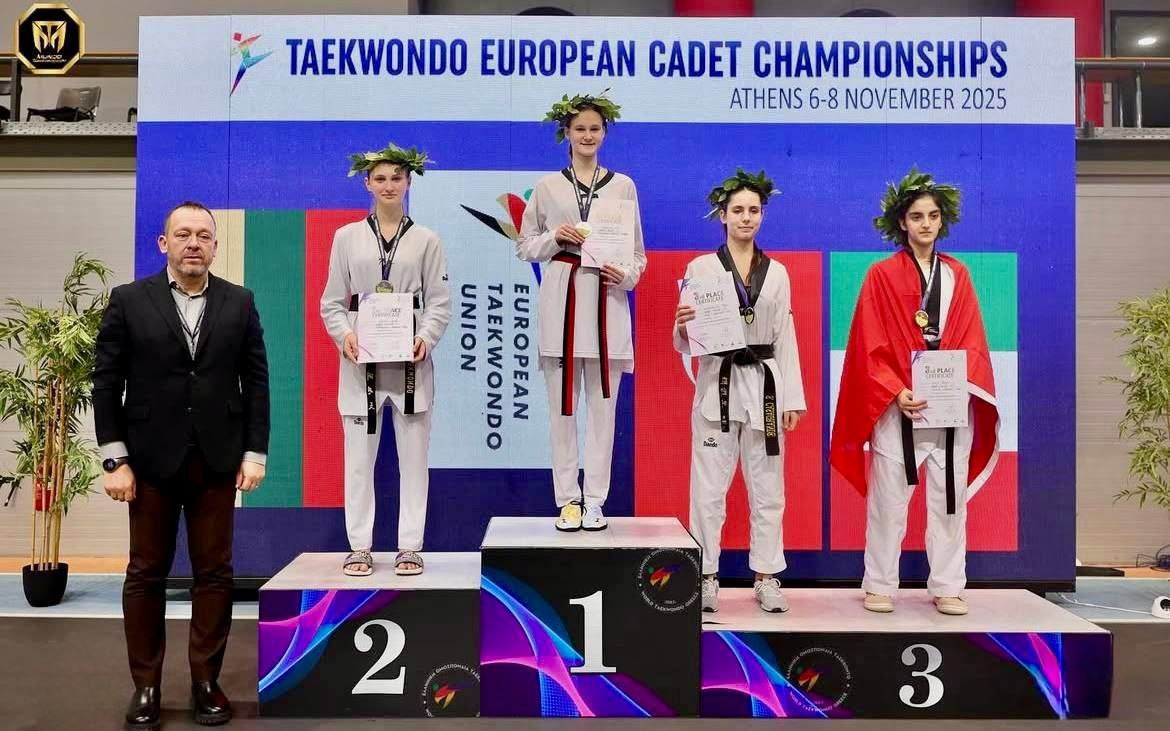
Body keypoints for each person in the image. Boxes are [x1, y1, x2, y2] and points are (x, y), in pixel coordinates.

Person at [93, 201, 270, 729]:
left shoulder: (240, 302)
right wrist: (114, 458)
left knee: (214, 574)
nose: (194, 243)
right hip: (148, 462)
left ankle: (206, 682)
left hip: (217, 461)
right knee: (145, 573)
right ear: (163, 243)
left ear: (215, 246)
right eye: (183, 234)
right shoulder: (129, 300)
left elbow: (256, 383)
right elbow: (106, 382)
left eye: (203, 236)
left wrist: (254, 453)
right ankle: (146, 686)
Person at [830, 167, 999, 616]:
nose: (926, 224)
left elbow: (972, 341)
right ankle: (880, 583)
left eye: (933, 216)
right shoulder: (881, 275)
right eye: (917, 216)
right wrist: (895, 389)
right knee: (888, 501)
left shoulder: (958, 274)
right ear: (902, 223)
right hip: (899, 405)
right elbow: (869, 342)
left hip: (949, 405)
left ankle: (948, 585)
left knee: (950, 501)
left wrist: (959, 385)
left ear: (942, 221)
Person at [673, 169, 805, 613]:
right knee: (708, 490)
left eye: (754, 210)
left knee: (768, 489)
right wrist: (683, 328)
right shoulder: (701, 269)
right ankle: (706, 575)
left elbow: (785, 335)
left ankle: (766, 576)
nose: (746, 218)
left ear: (762, 215)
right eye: (738, 210)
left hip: (765, 387)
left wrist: (792, 399)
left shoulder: (778, 273)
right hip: (719, 384)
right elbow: (689, 340)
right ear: (723, 216)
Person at [320, 143, 451, 577]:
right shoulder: (346, 237)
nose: (389, 185)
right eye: (380, 178)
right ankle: (360, 546)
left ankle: (410, 546)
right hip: (362, 364)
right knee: (359, 463)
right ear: (367, 183)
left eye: (396, 177)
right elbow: (331, 302)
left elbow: (440, 302)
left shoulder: (427, 239)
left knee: (414, 463)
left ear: (409, 182)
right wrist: (346, 336)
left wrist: (425, 338)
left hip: (411, 363)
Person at [517, 91, 646, 531]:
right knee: (562, 412)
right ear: (566, 134)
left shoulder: (623, 185)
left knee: (603, 413)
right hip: (562, 303)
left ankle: (595, 500)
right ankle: (567, 499)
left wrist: (624, 275)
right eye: (579, 129)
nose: (587, 136)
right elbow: (525, 246)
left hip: (606, 304)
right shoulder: (547, 187)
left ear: (604, 133)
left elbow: (637, 255)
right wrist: (555, 236)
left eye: (594, 128)